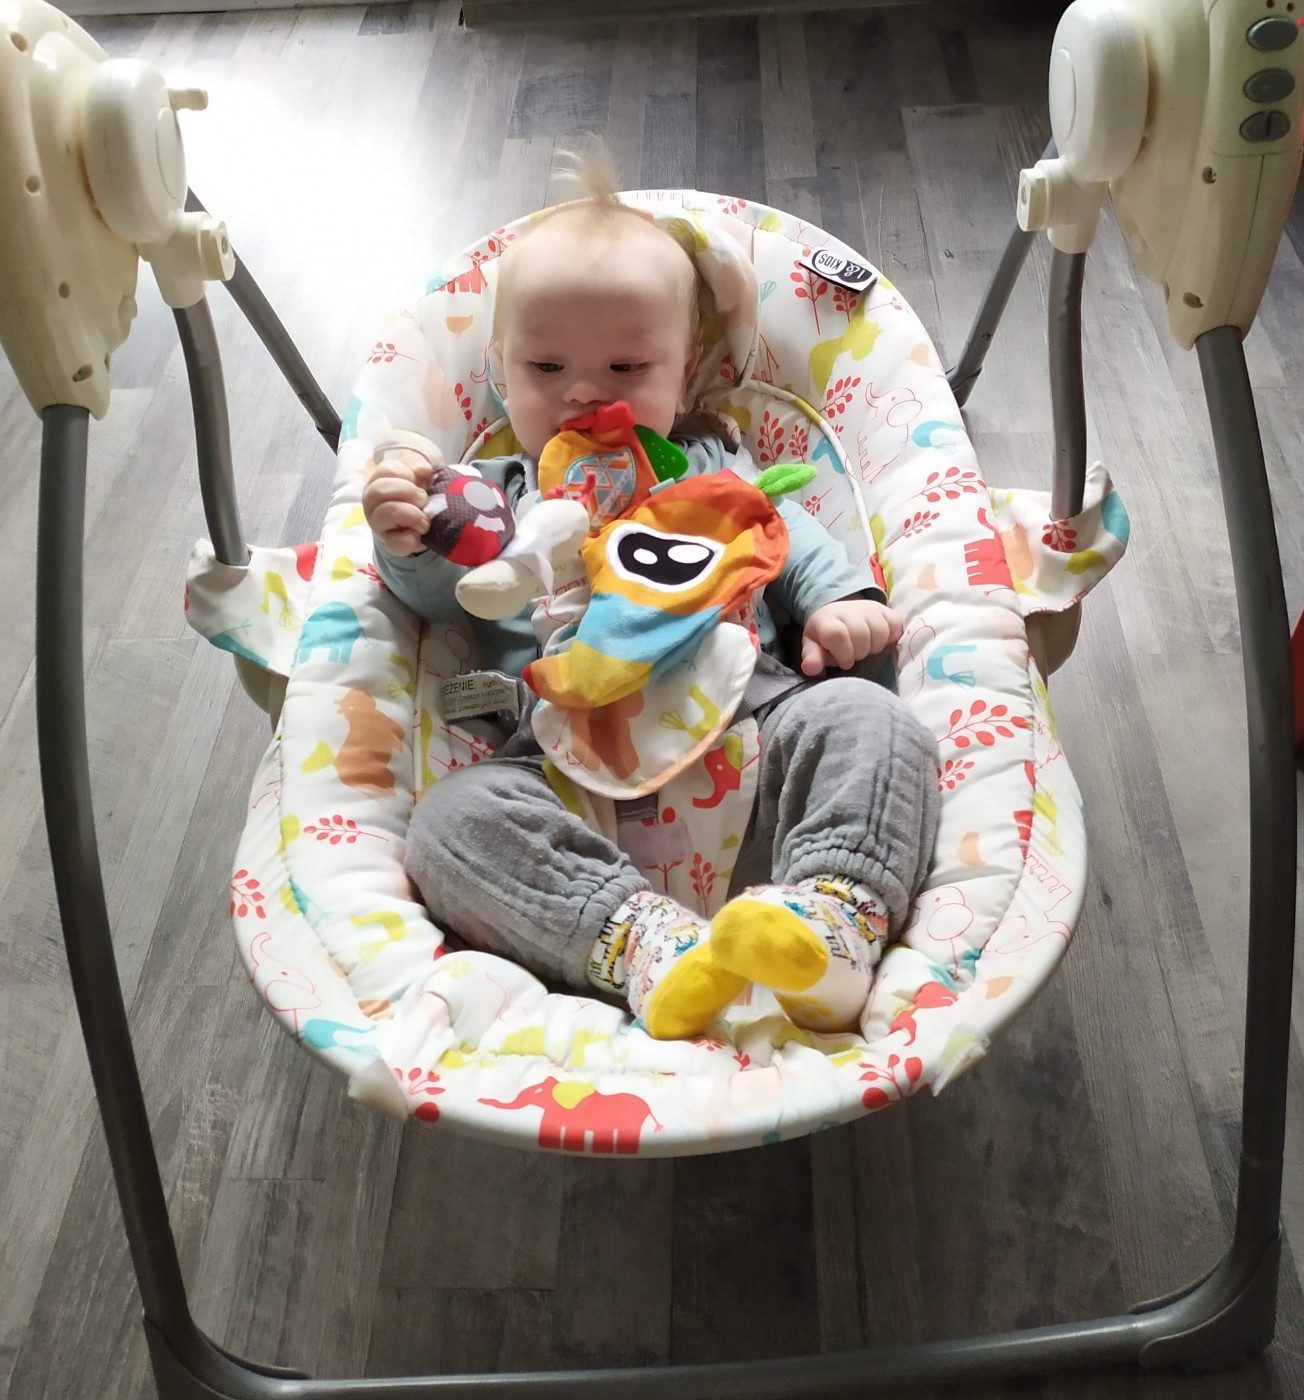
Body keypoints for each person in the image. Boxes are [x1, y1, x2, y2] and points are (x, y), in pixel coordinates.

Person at [362, 152, 940, 1040]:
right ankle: (644, 946)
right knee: (448, 825)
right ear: (500, 369)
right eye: (545, 367)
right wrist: (407, 534)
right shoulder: (494, 496)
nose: (583, 393)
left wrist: (836, 599)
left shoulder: (710, 466)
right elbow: (441, 595)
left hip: (753, 727)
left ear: (685, 371)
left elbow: (781, 530)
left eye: (627, 367)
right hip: (565, 776)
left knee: (870, 719)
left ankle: (832, 924)